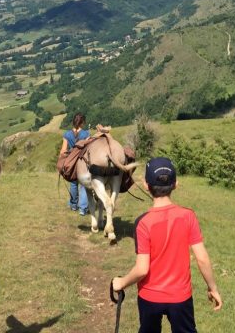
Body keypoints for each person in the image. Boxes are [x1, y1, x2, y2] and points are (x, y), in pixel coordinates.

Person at [111, 157, 222, 333]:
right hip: (180, 297)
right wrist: (213, 288)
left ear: (146, 185)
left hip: (149, 297)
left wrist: (121, 283)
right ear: (176, 184)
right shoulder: (188, 216)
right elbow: (201, 258)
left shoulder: (143, 222)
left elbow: (142, 269)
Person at [59, 112, 89, 216]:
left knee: (73, 183)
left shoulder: (67, 134)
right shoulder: (86, 134)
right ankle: (83, 208)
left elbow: (63, 151)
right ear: (82, 122)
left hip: (71, 162)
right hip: (82, 162)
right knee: (84, 185)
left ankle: (73, 205)